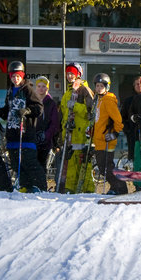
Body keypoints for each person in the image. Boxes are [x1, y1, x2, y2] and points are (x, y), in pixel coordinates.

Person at [0, 61, 46, 192]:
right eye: (13, 76)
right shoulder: (10, 91)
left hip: (25, 132)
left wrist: (28, 110)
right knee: (16, 162)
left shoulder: (28, 89)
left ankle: (39, 186)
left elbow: (39, 107)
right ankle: (25, 185)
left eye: (18, 76)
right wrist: (0, 113)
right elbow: (9, 108)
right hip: (13, 132)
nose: (15, 79)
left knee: (29, 161)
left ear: (22, 76)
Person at [59, 62, 96, 193]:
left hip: (81, 133)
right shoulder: (68, 92)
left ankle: (88, 189)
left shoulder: (84, 90)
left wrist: (74, 106)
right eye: (68, 74)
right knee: (71, 163)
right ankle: (70, 188)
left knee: (83, 162)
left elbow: (90, 111)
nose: (69, 76)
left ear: (78, 74)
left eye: (72, 74)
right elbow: (64, 114)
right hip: (70, 133)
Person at [91, 73, 127, 194]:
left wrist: (115, 133)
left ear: (107, 87)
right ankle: (115, 187)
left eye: (102, 86)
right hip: (99, 140)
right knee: (103, 167)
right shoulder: (98, 100)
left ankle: (120, 188)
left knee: (106, 167)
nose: (99, 88)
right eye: (97, 86)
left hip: (107, 139)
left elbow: (118, 120)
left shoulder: (108, 100)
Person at [34, 76, 60, 173]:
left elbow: (55, 123)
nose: (41, 89)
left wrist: (46, 135)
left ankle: (42, 182)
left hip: (46, 141)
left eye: (43, 86)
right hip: (33, 140)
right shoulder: (32, 102)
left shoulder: (51, 103)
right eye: (39, 86)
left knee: (42, 166)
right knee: (33, 166)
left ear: (47, 88)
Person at [120, 76, 141, 165]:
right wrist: (127, 130)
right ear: (134, 86)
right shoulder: (128, 101)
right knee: (134, 159)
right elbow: (122, 117)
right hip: (132, 135)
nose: (139, 86)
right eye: (137, 84)